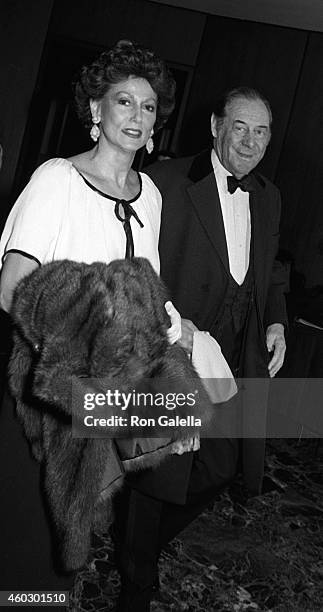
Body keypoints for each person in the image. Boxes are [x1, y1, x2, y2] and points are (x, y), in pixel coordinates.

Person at [0, 39, 179, 607]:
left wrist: (175, 347)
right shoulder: (56, 179)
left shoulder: (149, 194)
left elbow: (147, 290)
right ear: (96, 112)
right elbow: (11, 289)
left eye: (148, 107)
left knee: (76, 528)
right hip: (49, 389)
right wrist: (92, 331)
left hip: (110, 395)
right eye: (123, 102)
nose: (136, 116)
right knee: (32, 539)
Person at [116, 86, 288, 609]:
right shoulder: (165, 181)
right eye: (240, 126)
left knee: (225, 465)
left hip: (235, 358)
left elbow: (272, 273)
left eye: (261, 131)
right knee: (158, 472)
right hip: (174, 352)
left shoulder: (270, 195)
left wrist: (277, 322)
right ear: (216, 125)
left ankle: (134, 543)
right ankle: (136, 582)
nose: (250, 141)